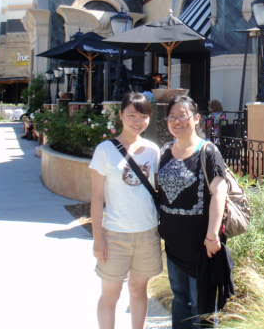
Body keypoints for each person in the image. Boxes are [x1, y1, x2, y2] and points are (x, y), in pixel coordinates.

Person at [89, 92, 162, 329]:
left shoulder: (153, 150)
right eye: (131, 115)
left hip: (147, 233)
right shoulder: (105, 150)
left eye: (143, 116)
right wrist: (98, 239)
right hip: (115, 235)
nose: (137, 121)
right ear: (121, 115)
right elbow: (97, 198)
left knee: (139, 290)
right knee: (110, 294)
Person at [156, 95, 228, 329]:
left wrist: (212, 235)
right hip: (174, 245)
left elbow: (219, 192)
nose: (177, 121)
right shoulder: (165, 151)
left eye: (183, 116)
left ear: (196, 118)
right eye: (172, 117)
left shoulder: (208, 151)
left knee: (201, 305)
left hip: (202, 246)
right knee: (180, 300)